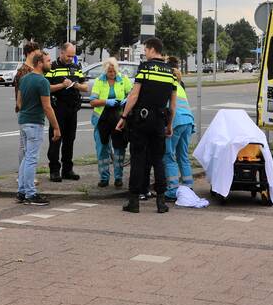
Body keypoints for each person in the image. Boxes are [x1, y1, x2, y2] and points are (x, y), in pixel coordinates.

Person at [116, 37, 177, 214]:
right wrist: (169, 125)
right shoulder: (171, 73)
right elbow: (173, 105)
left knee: (138, 159)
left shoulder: (145, 68)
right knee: (158, 160)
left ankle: (134, 201)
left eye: (145, 49)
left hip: (141, 121)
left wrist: (124, 116)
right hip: (160, 121)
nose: (144, 52)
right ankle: (161, 202)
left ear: (151, 49)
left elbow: (134, 96)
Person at [16, 52, 60, 206]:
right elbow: (47, 107)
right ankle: (30, 193)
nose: (51, 63)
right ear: (40, 63)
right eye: (48, 61)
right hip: (35, 123)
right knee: (31, 159)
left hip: (23, 121)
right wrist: (56, 127)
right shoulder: (42, 82)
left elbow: (19, 103)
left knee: (26, 157)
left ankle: (21, 191)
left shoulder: (24, 79)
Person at [45, 42, 88, 182]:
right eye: (69, 55)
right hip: (58, 108)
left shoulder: (76, 67)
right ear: (61, 53)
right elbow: (46, 88)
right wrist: (62, 85)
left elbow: (85, 87)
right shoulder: (53, 67)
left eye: (73, 56)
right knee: (56, 139)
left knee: (70, 140)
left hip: (72, 108)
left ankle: (67, 169)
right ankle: (54, 170)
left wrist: (74, 85)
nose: (71, 58)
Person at [89, 58, 133, 188]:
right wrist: (106, 101)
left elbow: (131, 95)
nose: (112, 73)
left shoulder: (123, 79)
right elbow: (92, 101)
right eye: (109, 71)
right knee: (102, 149)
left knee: (119, 148)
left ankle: (118, 177)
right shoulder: (99, 81)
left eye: (113, 71)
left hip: (118, 118)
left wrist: (126, 99)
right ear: (105, 70)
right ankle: (104, 177)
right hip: (102, 119)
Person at [164, 56, 195, 201]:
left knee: (169, 155)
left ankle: (172, 189)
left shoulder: (168, 85)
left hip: (176, 122)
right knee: (182, 154)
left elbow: (171, 107)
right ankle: (188, 184)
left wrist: (168, 125)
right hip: (188, 121)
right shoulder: (180, 86)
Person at [14, 42, 41, 113]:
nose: (38, 57)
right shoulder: (23, 72)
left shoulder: (35, 69)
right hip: (28, 112)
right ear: (28, 53)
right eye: (36, 54)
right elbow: (21, 96)